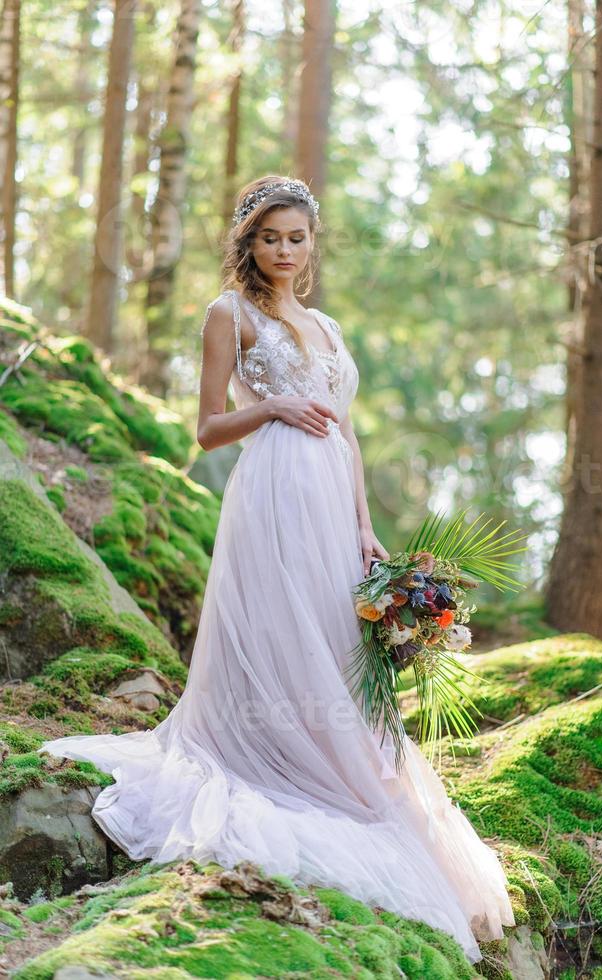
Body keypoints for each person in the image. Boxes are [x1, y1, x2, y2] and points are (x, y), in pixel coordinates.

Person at [38, 175, 515, 964]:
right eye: (271, 238)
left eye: (297, 238)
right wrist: (271, 408)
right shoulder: (229, 315)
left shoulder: (323, 324)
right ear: (248, 241)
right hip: (272, 491)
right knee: (280, 626)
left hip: (333, 502)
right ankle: (262, 750)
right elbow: (205, 430)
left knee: (332, 633)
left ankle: (335, 756)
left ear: (310, 242)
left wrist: (366, 525)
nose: (285, 252)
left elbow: (348, 435)